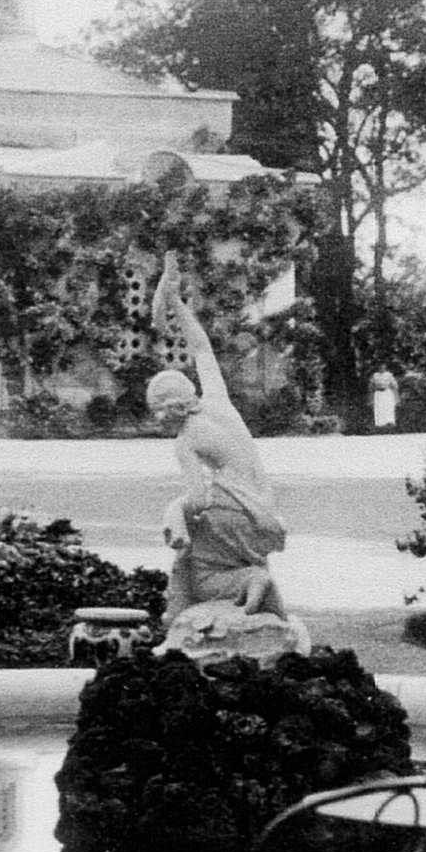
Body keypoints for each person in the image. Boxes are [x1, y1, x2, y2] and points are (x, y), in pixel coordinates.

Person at [147, 251, 290, 625]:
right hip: (264, 509)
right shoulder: (216, 399)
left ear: (167, 409)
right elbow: (201, 346)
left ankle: (199, 603)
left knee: (196, 565)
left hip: (234, 512)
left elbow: (198, 499)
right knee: (217, 544)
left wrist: (175, 514)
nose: (156, 419)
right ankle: (259, 591)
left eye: (156, 410)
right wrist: (175, 303)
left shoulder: (185, 440)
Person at [369, 366, 400, 431]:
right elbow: (371, 386)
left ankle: (389, 424)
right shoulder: (375, 375)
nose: (381, 368)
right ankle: (380, 425)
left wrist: (396, 396)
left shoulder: (389, 375)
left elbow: (394, 385)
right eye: (380, 367)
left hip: (387, 392)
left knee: (388, 408)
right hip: (378, 393)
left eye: (383, 367)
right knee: (379, 408)